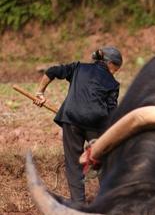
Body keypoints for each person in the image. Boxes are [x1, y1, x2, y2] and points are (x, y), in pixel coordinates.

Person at [34, 47, 123, 204]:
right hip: (95, 124)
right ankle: (108, 201)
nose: (115, 72)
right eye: (116, 69)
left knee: (74, 163)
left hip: (71, 120)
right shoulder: (113, 83)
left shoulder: (78, 67)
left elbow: (53, 71)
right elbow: (111, 112)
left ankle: (78, 204)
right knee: (102, 161)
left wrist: (40, 93)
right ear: (110, 63)